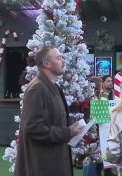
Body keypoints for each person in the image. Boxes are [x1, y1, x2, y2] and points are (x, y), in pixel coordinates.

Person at [15, 45, 82, 176]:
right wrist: (67, 132)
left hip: (54, 164)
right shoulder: (37, 89)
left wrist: (72, 129)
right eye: (58, 58)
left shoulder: (53, 87)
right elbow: (33, 128)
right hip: (43, 167)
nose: (63, 60)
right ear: (46, 64)